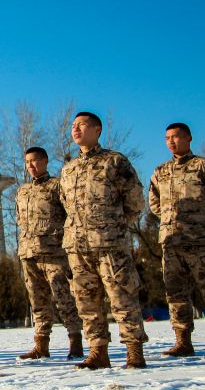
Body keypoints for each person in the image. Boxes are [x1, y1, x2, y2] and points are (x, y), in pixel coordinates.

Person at [59, 111, 149, 369]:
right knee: (86, 302)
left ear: (97, 130)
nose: (75, 129)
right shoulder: (68, 170)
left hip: (110, 244)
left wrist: (115, 227)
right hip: (77, 246)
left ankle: (134, 350)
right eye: (73, 125)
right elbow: (66, 205)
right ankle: (98, 351)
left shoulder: (114, 162)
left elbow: (134, 200)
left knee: (122, 296)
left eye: (82, 125)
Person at [149, 122, 205, 356]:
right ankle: (183, 341)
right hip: (172, 242)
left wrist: (203, 218)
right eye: (167, 137)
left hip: (201, 242)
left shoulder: (203, 166)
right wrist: (171, 220)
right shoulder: (161, 171)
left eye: (176, 137)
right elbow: (154, 203)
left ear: (188, 138)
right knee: (175, 294)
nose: (171, 141)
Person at [15, 146, 84, 360]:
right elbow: (20, 220)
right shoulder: (23, 191)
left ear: (45, 161)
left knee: (64, 299)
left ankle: (75, 341)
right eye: (27, 162)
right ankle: (41, 345)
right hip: (29, 253)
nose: (31, 166)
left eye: (35, 161)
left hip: (54, 253)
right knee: (37, 301)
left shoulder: (57, 186)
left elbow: (71, 214)